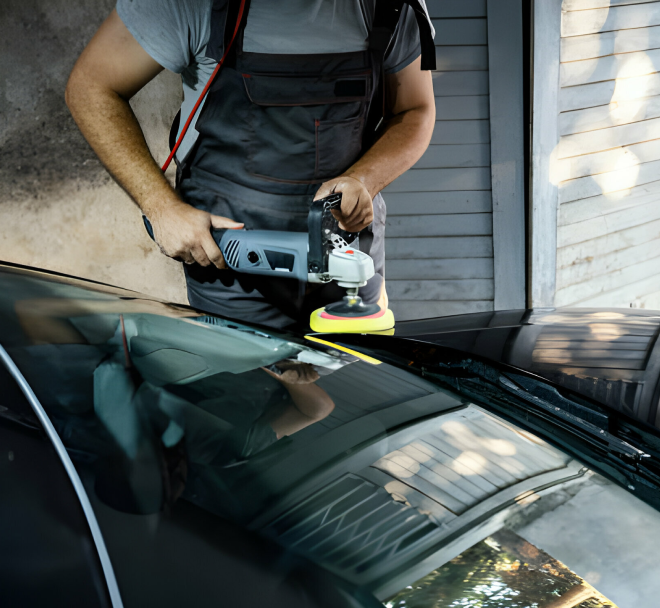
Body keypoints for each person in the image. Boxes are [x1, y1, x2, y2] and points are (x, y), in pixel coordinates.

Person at [65, 0, 436, 329]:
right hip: (232, 266)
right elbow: (90, 87)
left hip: (347, 256)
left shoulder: (393, 6)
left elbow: (415, 110)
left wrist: (364, 179)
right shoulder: (193, 5)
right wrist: (160, 206)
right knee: (252, 399)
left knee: (364, 395)